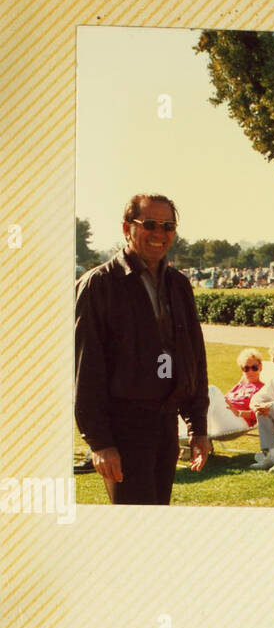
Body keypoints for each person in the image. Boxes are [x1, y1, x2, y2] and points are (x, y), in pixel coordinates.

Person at [74, 194, 211, 504]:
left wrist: (198, 427)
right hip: (122, 431)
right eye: (149, 224)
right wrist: (100, 443)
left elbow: (194, 359)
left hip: (165, 427)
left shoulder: (178, 285)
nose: (159, 234)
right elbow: (86, 371)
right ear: (127, 228)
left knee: (157, 525)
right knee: (132, 531)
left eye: (168, 226)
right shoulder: (99, 285)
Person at [249, 340, 274, 471]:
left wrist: (271, 406)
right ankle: (273, 455)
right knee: (262, 411)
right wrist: (259, 407)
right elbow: (256, 398)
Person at [224, 348, 265, 429]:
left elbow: (261, 412)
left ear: (260, 367)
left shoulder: (263, 389)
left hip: (239, 421)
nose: (250, 372)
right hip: (224, 416)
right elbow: (224, 399)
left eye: (254, 367)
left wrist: (239, 413)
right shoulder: (240, 385)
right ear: (242, 369)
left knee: (212, 391)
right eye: (246, 368)